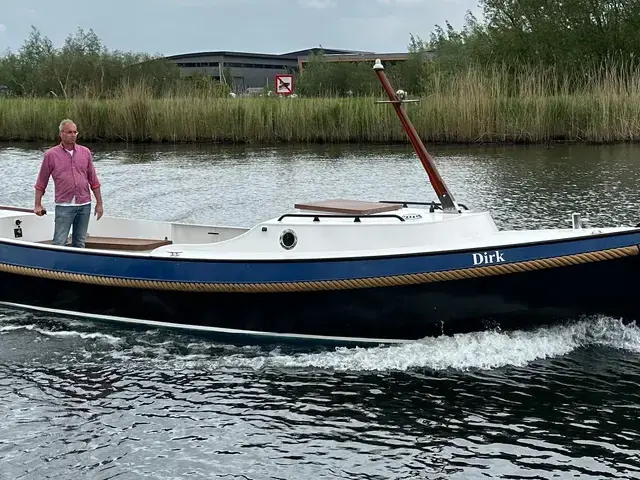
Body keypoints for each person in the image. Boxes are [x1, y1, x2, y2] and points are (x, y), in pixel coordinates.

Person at [34, 119, 104, 247]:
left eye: (75, 132)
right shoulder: (51, 155)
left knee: (80, 242)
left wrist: (99, 203)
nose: (73, 135)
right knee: (59, 242)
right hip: (64, 205)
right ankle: (56, 266)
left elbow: (93, 180)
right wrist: (38, 204)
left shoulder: (85, 153)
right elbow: (41, 182)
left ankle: (77, 265)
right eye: (69, 132)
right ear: (61, 134)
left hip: (84, 204)